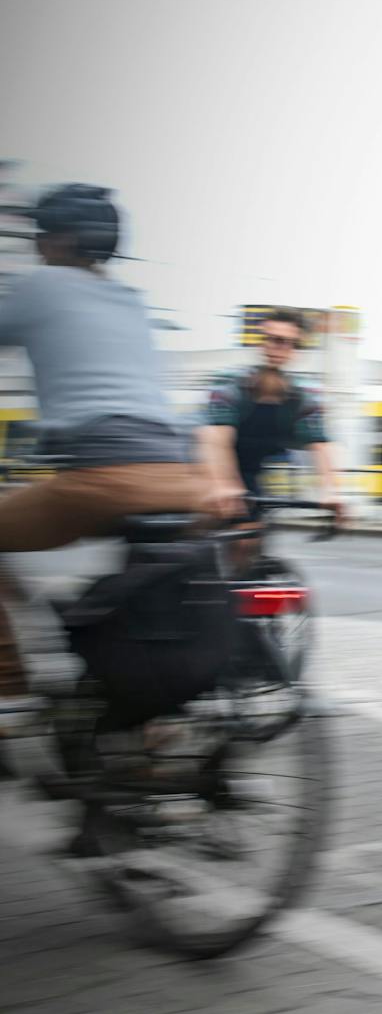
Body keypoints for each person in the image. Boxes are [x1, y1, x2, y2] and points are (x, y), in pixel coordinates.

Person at [0, 184, 208, 725]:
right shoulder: (130, 301)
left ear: (62, 241)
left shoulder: (43, 286)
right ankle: (145, 739)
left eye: (42, 237)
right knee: (138, 596)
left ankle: (10, 693)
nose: (38, 247)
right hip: (179, 479)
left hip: (103, 477)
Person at [197, 308, 346, 521]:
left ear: (296, 350)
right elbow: (216, 439)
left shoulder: (302, 397)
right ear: (261, 343)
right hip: (206, 466)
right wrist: (222, 484)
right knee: (224, 532)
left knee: (253, 534)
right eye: (271, 339)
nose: (277, 348)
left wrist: (331, 491)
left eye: (286, 342)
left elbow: (321, 445)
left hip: (250, 473)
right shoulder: (231, 385)